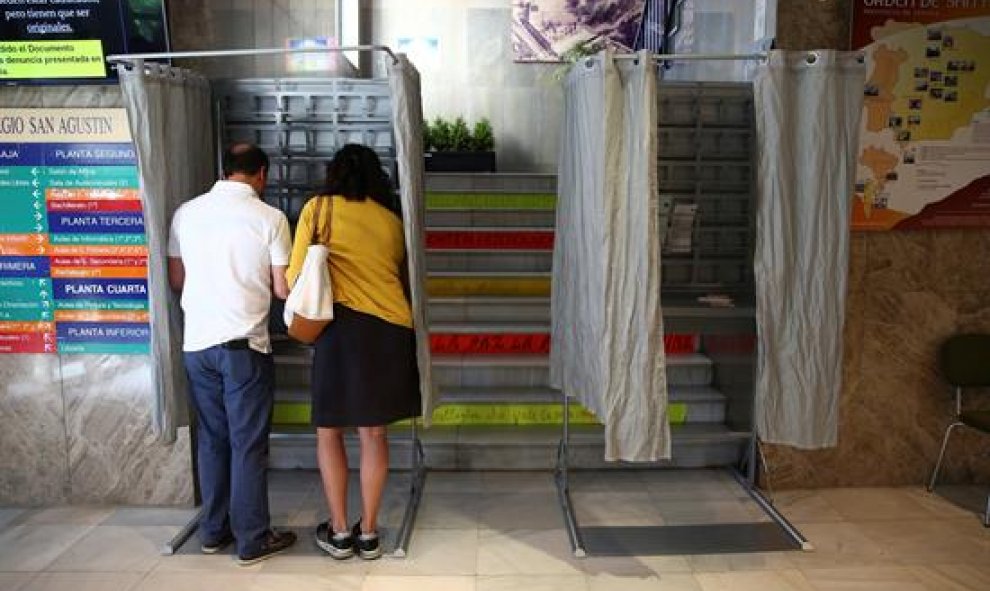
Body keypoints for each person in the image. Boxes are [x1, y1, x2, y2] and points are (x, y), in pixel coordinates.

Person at [286, 144, 421, 560]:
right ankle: (370, 532)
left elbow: (294, 275)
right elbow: (399, 271)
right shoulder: (392, 221)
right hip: (390, 331)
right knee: (374, 433)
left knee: (330, 430)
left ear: (334, 174)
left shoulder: (317, 209)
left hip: (339, 330)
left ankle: (340, 532)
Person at [167, 143, 298, 565]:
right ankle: (253, 539)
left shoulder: (186, 213)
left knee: (212, 440)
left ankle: (212, 530)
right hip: (244, 347)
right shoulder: (270, 218)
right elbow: (282, 289)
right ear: (261, 174)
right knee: (248, 445)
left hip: (197, 345)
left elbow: (176, 278)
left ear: (226, 171)